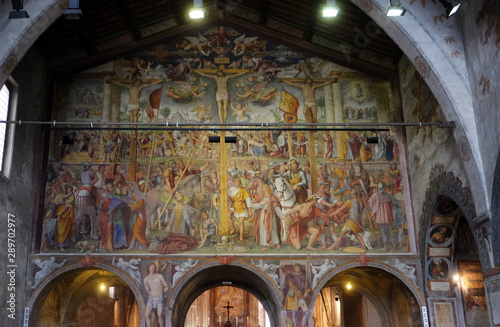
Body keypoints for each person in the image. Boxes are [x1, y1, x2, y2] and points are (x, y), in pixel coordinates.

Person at [252, 185, 282, 250]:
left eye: (265, 190)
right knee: (264, 230)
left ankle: (277, 244)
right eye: (263, 190)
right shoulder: (261, 197)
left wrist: (282, 216)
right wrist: (261, 204)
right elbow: (253, 206)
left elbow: (276, 208)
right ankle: (267, 245)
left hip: (271, 216)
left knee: (272, 229)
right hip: (262, 216)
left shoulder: (273, 197)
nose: (264, 191)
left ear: (268, 189)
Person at [368, 183, 395, 252]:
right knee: (388, 231)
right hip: (387, 217)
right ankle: (394, 245)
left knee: (383, 231)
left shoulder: (375, 196)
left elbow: (370, 204)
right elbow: (391, 205)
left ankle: (385, 247)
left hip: (380, 218)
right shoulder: (388, 195)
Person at [144, 263, 169, 327]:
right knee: (146, 315)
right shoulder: (146, 279)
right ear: (148, 268)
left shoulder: (159, 276)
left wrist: (161, 292)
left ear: (155, 268)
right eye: (151, 267)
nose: (152, 268)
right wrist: (152, 294)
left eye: (154, 267)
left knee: (159, 314)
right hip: (151, 298)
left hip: (159, 298)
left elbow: (166, 287)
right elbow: (147, 290)